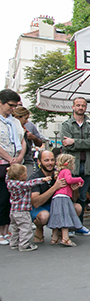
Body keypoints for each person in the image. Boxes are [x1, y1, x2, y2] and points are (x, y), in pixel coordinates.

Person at [60, 97, 90, 235]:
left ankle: (79, 226)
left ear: (85, 108)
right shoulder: (66, 125)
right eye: (78, 105)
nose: (81, 108)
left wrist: (73, 141)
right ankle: (68, 227)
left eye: (83, 105)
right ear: (73, 107)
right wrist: (82, 143)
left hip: (87, 166)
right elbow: (65, 144)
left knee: (82, 198)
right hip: (71, 167)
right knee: (69, 197)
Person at [29, 150, 79, 243]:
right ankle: (39, 228)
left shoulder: (61, 172)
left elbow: (74, 199)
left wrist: (74, 188)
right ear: (39, 162)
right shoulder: (35, 177)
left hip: (57, 205)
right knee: (44, 216)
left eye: (52, 160)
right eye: (46, 160)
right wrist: (54, 187)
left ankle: (59, 233)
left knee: (77, 208)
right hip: (40, 208)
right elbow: (35, 203)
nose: (50, 163)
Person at [0, 89, 25, 246]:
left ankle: (7, 229)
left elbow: (23, 140)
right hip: (3, 163)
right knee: (1, 198)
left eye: (15, 106)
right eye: (10, 105)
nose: (13, 109)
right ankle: (0, 232)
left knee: (12, 199)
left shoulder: (15, 121)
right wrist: (9, 159)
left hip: (16, 164)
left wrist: (20, 157)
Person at [6, 164, 51, 251]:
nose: (27, 175)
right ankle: (24, 245)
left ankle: (14, 243)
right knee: (26, 228)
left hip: (13, 211)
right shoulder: (21, 185)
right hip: (22, 211)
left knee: (15, 228)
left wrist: (8, 171)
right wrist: (42, 179)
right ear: (22, 176)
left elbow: (7, 177)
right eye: (25, 173)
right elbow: (31, 183)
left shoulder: (9, 182)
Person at [47, 154, 84, 247]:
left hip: (56, 197)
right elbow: (69, 180)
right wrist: (79, 179)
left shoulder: (60, 172)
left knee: (57, 216)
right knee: (65, 216)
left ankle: (54, 238)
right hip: (63, 197)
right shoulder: (67, 171)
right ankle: (65, 238)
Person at [13, 106, 43, 175]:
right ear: (17, 117)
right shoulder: (11, 127)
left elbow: (39, 143)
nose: (27, 121)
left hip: (27, 160)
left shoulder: (30, 125)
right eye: (25, 118)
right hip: (14, 160)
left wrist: (34, 138)